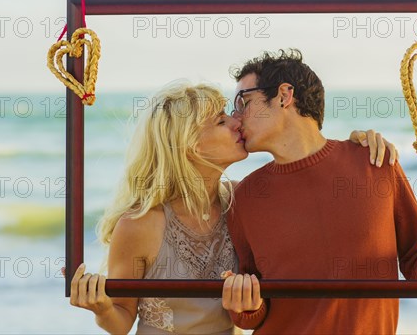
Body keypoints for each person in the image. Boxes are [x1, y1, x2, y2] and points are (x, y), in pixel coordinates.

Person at [65, 80, 398, 334]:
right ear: (189, 144)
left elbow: (311, 188)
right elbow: (121, 321)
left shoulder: (245, 202)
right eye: (221, 121)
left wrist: (356, 150)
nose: (237, 122)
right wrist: (100, 307)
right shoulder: (140, 224)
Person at [221, 49, 417, 334]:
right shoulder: (246, 198)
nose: (236, 117)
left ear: (283, 95)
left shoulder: (374, 162)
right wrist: (244, 307)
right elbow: (254, 308)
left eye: (243, 101)